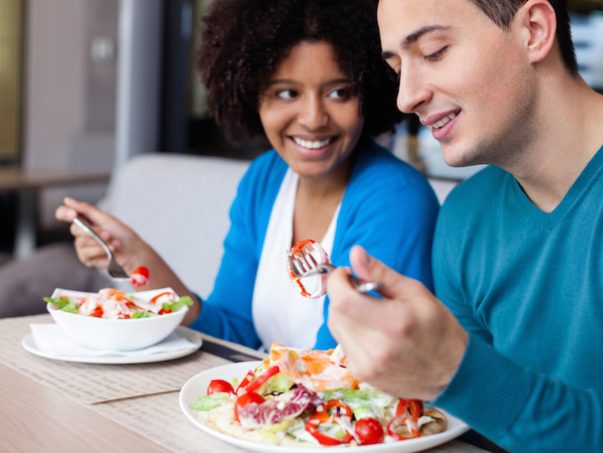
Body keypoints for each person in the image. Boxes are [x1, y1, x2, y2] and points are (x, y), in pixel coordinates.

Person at [326, 0, 603, 451]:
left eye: (434, 51)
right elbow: (472, 433)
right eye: (398, 67)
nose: (406, 96)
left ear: (534, 31)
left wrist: (456, 372)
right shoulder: (463, 217)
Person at [55, 0, 439, 351]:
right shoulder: (265, 180)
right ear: (251, 96)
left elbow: (346, 368)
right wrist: (137, 254)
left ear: (369, 94)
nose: (312, 119)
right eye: (287, 93)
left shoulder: (395, 199)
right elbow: (230, 334)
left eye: (339, 93)